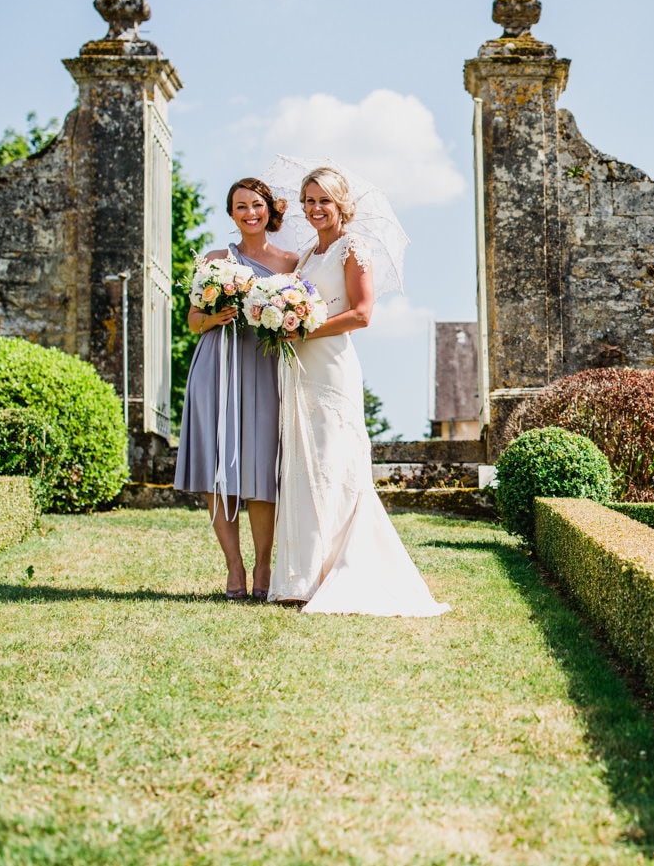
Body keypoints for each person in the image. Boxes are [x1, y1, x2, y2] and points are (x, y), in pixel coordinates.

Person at [270, 165, 448, 616]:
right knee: (302, 464)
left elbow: (363, 314)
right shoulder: (308, 254)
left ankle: (336, 572)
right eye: (308, 200)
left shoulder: (354, 248)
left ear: (341, 204)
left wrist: (305, 331)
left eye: (323, 200)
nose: (314, 208)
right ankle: (301, 577)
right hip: (298, 368)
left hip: (330, 367)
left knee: (332, 463)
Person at [173, 178, 298, 601]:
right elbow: (192, 321)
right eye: (241, 206)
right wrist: (215, 316)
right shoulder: (213, 260)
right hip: (216, 365)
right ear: (231, 213)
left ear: (269, 210)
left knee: (261, 468)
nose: (250, 213)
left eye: (257, 205)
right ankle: (234, 568)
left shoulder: (289, 262)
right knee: (217, 468)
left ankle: (264, 565)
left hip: (262, 368)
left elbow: (297, 320)